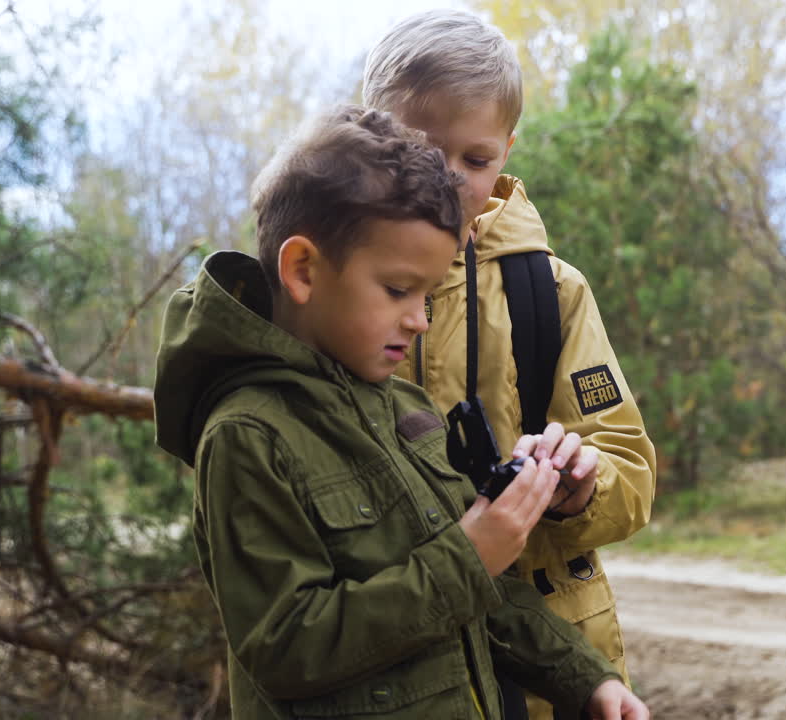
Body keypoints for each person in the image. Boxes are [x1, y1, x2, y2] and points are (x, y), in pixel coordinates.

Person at [153, 105, 648, 720]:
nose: (420, 318)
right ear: (303, 270)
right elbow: (286, 646)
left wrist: (586, 680)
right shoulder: (247, 435)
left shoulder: (402, 406)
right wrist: (467, 558)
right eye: (398, 290)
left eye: (428, 292)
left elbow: (481, 597)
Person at [363, 13, 657, 718]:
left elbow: (630, 471)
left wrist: (581, 486)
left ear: (506, 151)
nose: (453, 179)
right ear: (369, 140)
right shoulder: (340, 288)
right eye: (424, 152)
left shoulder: (551, 292)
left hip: (551, 656)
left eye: (477, 158)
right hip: (396, 644)